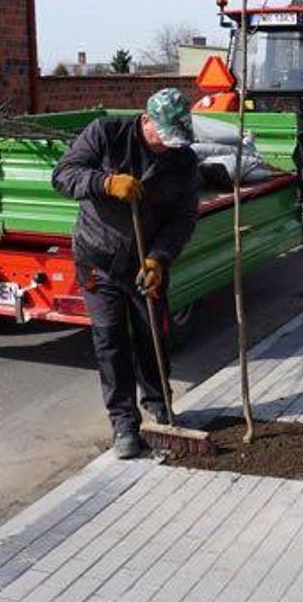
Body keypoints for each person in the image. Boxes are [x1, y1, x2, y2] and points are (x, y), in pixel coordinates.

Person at [52, 88, 199, 459]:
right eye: (161, 138)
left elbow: (183, 218)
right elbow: (63, 176)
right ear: (146, 120)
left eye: (174, 141)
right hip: (97, 261)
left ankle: (160, 404)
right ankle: (123, 423)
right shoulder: (105, 134)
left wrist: (159, 258)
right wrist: (105, 183)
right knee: (110, 340)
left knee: (152, 334)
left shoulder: (182, 160)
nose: (166, 147)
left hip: (144, 262)